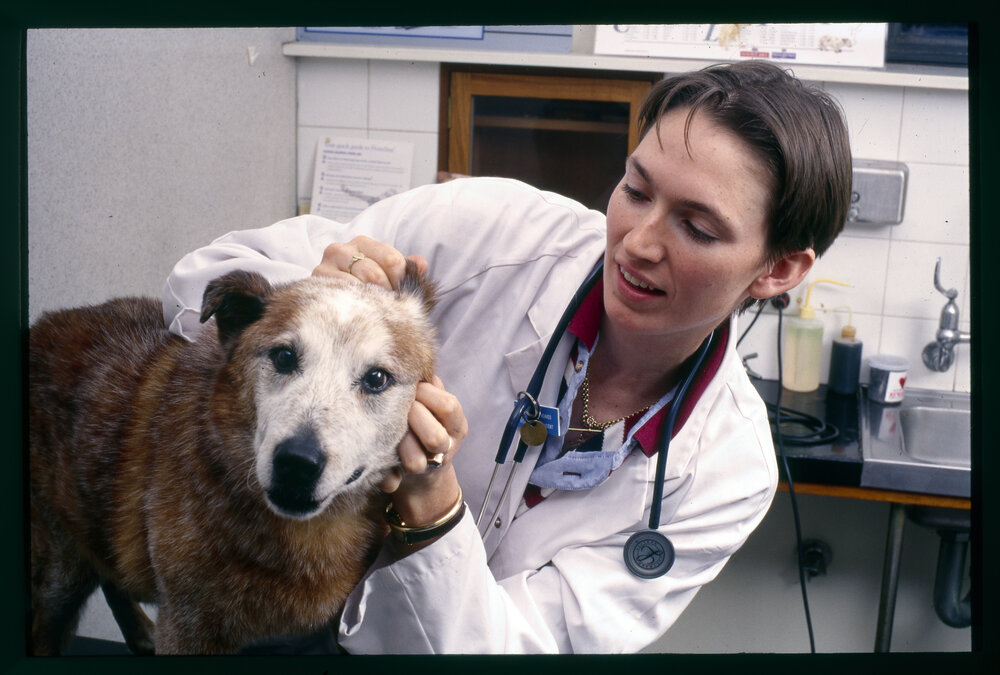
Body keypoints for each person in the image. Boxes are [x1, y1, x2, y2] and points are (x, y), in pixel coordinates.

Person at [162, 60, 852, 653]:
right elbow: (203, 280)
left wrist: (432, 503)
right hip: (278, 611)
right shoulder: (485, 231)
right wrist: (310, 287)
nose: (637, 241)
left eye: (697, 226)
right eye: (636, 190)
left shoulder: (728, 469)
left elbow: (520, 644)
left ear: (780, 269)